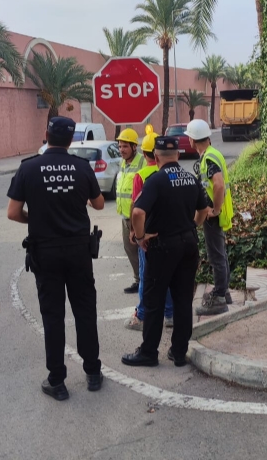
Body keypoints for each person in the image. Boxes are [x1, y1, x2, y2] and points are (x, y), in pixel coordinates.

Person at [7, 117, 105, 401]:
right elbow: (99, 204)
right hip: (78, 251)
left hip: (45, 252)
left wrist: (35, 218)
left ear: (45, 135)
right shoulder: (82, 166)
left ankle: (57, 381)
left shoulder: (28, 168)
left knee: (53, 316)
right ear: (71, 140)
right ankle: (93, 373)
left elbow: (13, 213)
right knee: (85, 311)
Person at [121, 136, 209, 368]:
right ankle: (179, 352)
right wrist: (193, 225)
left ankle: (149, 352)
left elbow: (138, 213)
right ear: (178, 156)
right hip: (188, 245)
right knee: (182, 299)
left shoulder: (156, 180)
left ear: (157, 157)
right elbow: (204, 210)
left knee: (153, 299)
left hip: (163, 246)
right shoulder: (191, 179)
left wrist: (140, 238)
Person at [124, 125, 174, 331]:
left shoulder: (142, 175)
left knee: (146, 275)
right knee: (168, 275)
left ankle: (142, 315)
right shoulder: (168, 172)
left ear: (145, 154)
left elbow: (136, 207)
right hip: (169, 232)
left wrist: (135, 233)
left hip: (148, 234)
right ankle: (170, 314)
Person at [185, 119, 234, 316]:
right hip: (217, 212)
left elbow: (219, 185)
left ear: (193, 139)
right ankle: (225, 291)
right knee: (220, 253)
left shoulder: (209, 158)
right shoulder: (210, 155)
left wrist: (214, 209)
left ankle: (220, 298)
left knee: (216, 256)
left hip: (213, 215)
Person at [115, 128, 146, 294]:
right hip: (125, 215)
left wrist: (135, 225)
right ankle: (138, 279)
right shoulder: (123, 163)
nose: (122, 150)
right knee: (130, 250)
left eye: (125, 146)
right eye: (120, 146)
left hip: (137, 216)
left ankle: (144, 280)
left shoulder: (141, 162)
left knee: (142, 250)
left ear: (134, 147)